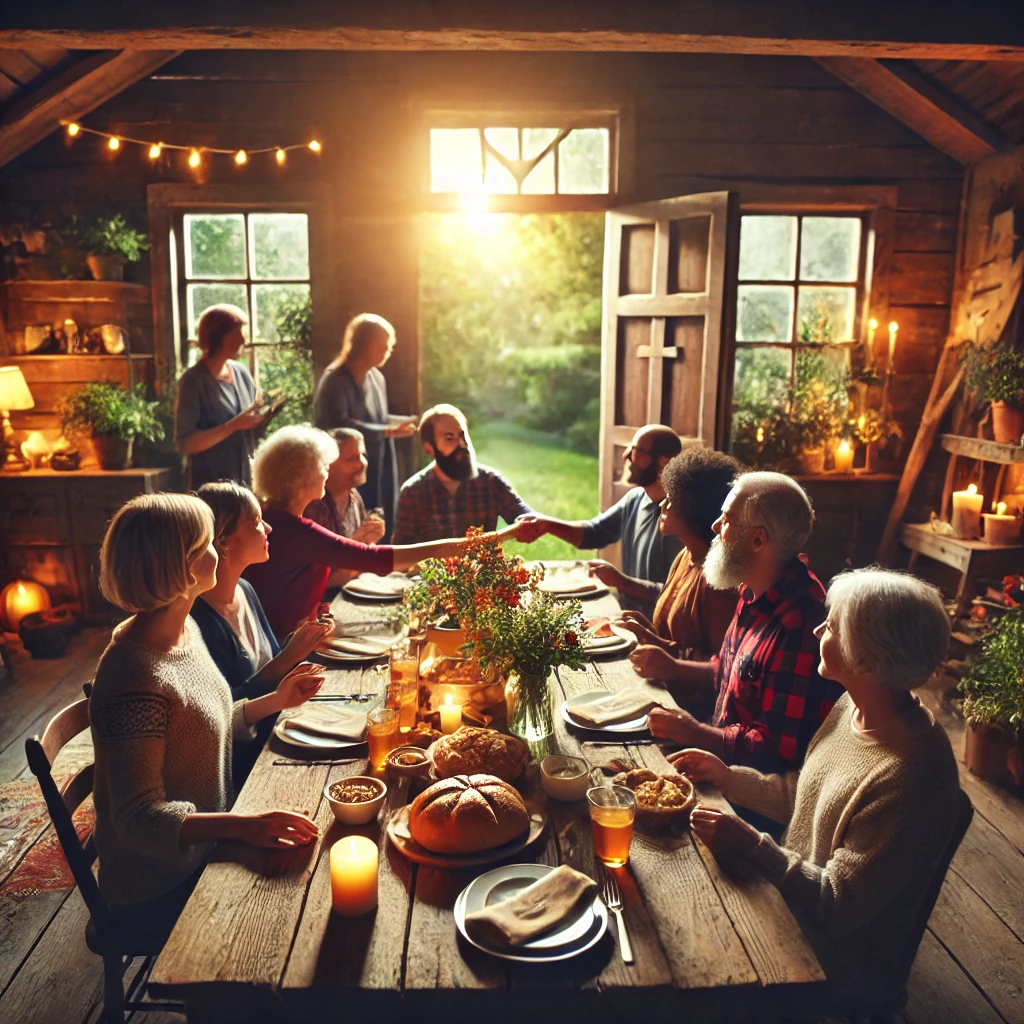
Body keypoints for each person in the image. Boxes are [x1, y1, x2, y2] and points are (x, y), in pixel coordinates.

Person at [672, 569, 959, 1013]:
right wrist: (729, 777)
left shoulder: (912, 775)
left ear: (865, 661)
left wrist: (754, 848)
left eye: (832, 625)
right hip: (790, 896)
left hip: (834, 955)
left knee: (681, 961)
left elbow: (838, 905)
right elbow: (804, 796)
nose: (817, 628)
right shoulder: (854, 707)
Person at [89, 493, 320, 934]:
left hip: (211, 841)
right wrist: (241, 828)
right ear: (183, 565)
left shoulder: (184, 628)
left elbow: (203, 726)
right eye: (207, 541)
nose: (217, 548)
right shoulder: (135, 677)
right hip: (159, 882)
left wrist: (277, 699)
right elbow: (139, 820)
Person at [645, 471, 842, 773]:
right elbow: (728, 671)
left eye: (726, 520)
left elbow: (774, 750)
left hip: (746, 796)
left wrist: (693, 732)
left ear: (758, 539)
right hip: (716, 764)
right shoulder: (752, 589)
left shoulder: (800, 623)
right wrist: (673, 668)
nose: (715, 526)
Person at [245, 425, 505, 638]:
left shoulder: (276, 516)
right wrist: (475, 543)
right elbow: (375, 559)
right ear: (303, 477)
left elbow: (291, 586)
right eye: (323, 466)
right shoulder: (296, 531)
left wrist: (316, 612)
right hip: (274, 645)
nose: (327, 472)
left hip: (283, 635)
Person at [515, 424, 683, 609]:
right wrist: (546, 524)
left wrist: (621, 581)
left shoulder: (679, 517)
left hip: (659, 627)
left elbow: (678, 593)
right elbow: (595, 533)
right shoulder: (635, 499)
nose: (625, 455)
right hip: (627, 617)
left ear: (663, 463)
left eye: (636, 451)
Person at [616, 447, 741, 671]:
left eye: (672, 499)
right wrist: (645, 631)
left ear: (695, 508)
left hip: (691, 703)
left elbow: (723, 669)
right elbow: (676, 642)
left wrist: (670, 663)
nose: (663, 505)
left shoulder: (719, 580)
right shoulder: (685, 555)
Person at [313, 313, 417, 537]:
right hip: (346, 466)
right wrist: (387, 430)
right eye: (385, 344)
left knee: (378, 519)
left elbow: (377, 418)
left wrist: (405, 422)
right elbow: (338, 425)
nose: (389, 350)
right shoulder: (334, 380)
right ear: (368, 344)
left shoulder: (377, 377)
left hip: (379, 461)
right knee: (350, 525)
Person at [392, 404, 532, 544]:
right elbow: (401, 553)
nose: (462, 445)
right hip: (430, 567)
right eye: (450, 438)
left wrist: (529, 525)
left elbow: (527, 518)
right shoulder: (413, 492)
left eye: (463, 435)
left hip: (481, 566)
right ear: (430, 449)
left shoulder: (490, 481)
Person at [174, 304, 269, 490]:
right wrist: (231, 427)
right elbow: (185, 444)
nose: (243, 340)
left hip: (245, 480)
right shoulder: (193, 381)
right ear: (218, 336)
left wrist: (261, 418)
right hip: (211, 485)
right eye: (237, 334)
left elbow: (249, 426)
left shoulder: (240, 372)